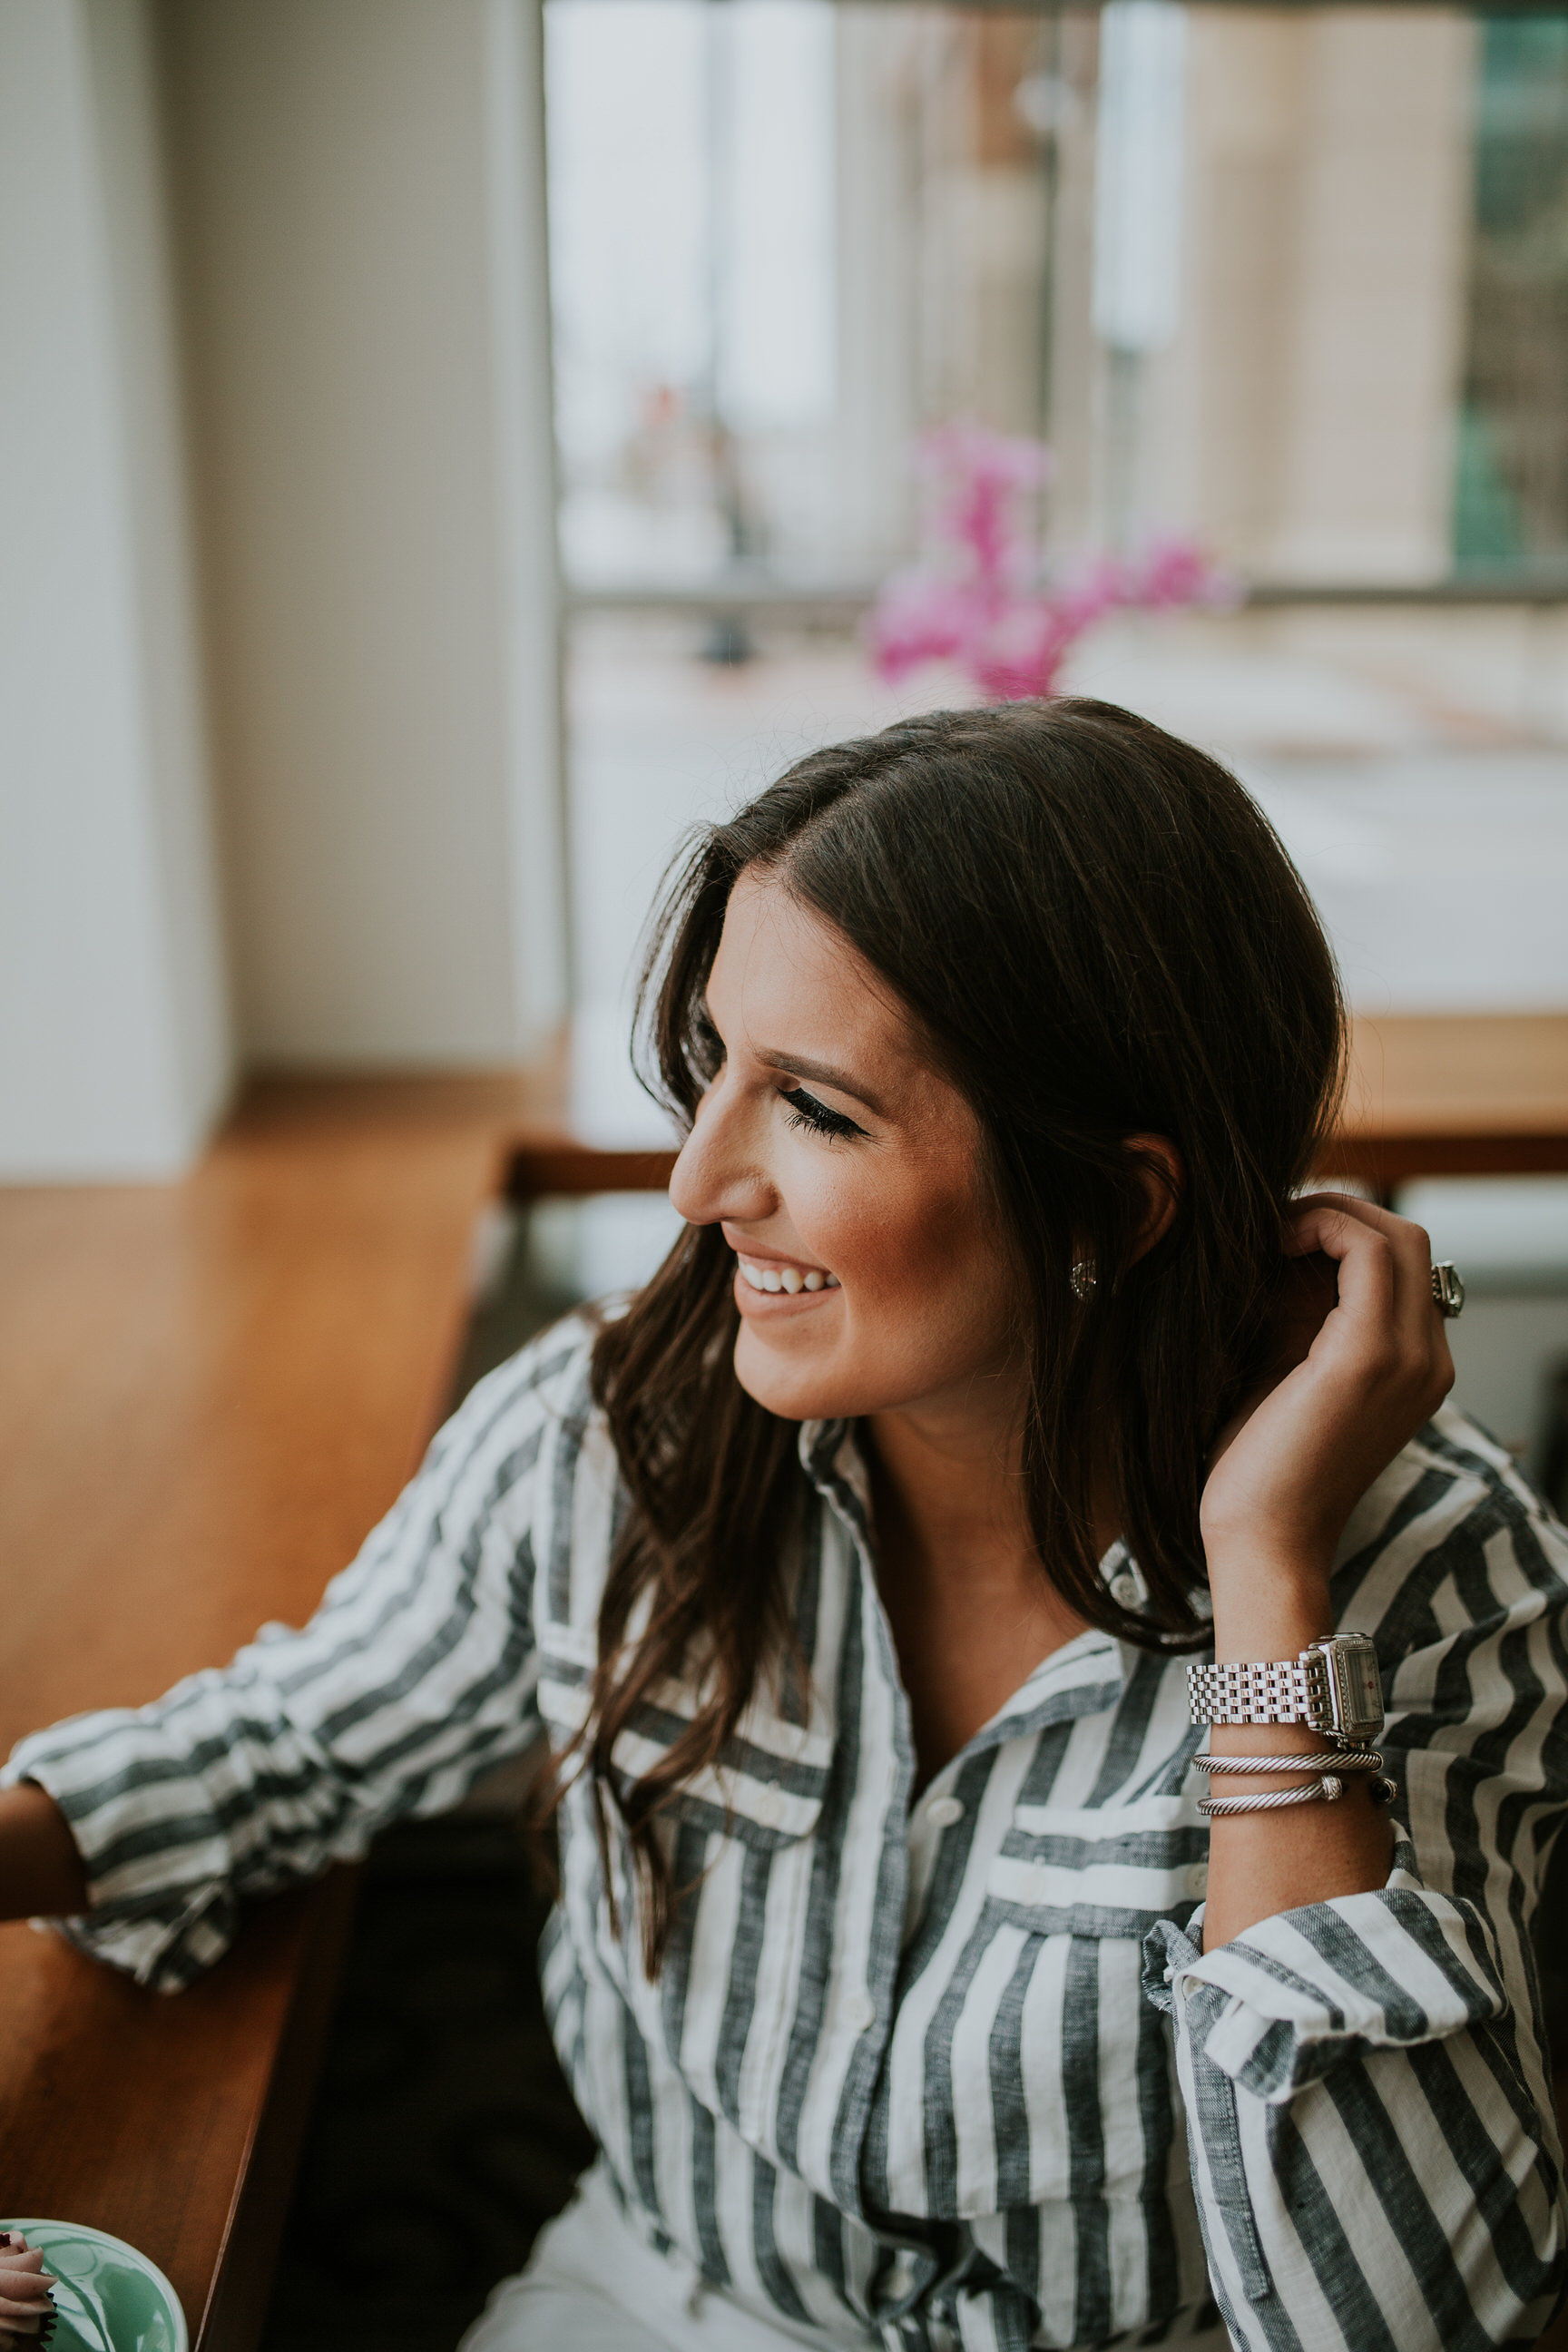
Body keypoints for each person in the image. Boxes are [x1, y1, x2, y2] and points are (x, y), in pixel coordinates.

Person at [2, 700, 1565, 2352]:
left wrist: (1268, 1585)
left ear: (1115, 1201)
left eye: (815, 1109)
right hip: (669, 2306)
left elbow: (1407, 2322)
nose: (696, 1180)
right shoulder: (619, 1428)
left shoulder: (1442, 1577)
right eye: (712, 1065)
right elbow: (293, 1742)